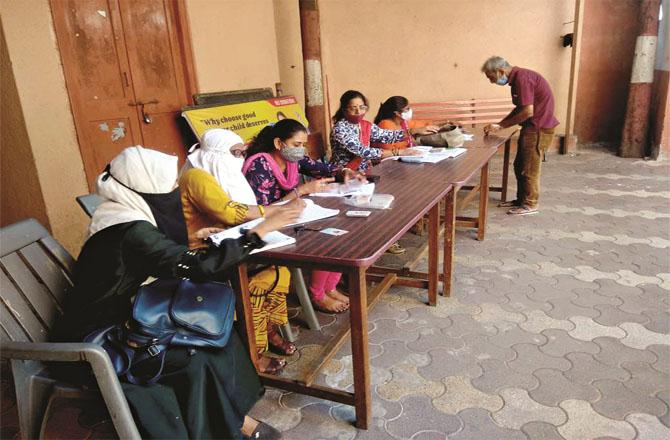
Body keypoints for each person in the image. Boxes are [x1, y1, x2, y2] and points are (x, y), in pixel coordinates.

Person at [53, 146, 292, 439]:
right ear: (147, 189)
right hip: (102, 336)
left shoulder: (123, 211)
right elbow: (193, 267)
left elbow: (163, 253)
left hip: (127, 315)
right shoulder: (129, 229)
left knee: (216, 333)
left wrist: (201, 240)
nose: (173, 194)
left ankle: (232, 422)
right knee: (197, 353)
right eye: (167, 190)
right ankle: (235, 426)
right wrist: (259, 232)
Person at [179, 128, 305, 374]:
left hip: (225, 243)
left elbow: (244, 211)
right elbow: (230, 212)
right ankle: (253, 351)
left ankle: (265, 331)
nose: (238, 159)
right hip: (201, 256)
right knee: (257, 280)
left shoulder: (221, 173)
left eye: (241, 153)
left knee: (277, 270)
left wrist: (273, 214)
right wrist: (274, 213)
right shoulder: (196, 177)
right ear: (215, 153)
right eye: (234, 153)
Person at [243, 119, 362, 313]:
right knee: (325, 239)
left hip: (292, 215)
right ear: (278, 144)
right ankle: (317, 294)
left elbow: (319, 168)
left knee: (341, 228)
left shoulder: (292, 160)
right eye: (296, 145)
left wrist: (344, 172)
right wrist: (302, 190)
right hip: (267, 224)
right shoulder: (260, 166)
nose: (301, 150)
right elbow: (261, 210)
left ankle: (329, 287)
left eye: (303, 145)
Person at [481, 56, 559, 216]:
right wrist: (500, 124)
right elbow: (520, 109)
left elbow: (527, 112)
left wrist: (502, 125)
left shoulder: (522, 79)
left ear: (500, 71)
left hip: (538, 128)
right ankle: (521, 200)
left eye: (491, 77)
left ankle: (530, 204)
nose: (491, 82)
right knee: (520, 165)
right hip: (532, 127)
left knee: (529, 167)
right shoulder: (518, 79)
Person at [372, 96, 440, 255]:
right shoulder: (385, 125)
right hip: (385, 168)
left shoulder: (401, 123)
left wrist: (438, 125)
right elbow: (387, 149)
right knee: (396, 198)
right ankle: (388, 237)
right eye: (406, 109)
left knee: (420, 183)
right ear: (396, 112)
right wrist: (407, 146)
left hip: (399, 164)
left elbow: (418, 124)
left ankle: (413, 221)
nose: (409, 112)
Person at [330, 90, 420, 172]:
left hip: (365, 171)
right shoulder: (340, 129)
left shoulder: (365, 125)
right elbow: (364, 151)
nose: (358, 112)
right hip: (345, 173)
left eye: (362, 107)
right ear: (344, 110)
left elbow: (386, 136)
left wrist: (413, 131)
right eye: (353, 108)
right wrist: (399, 152)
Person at [372, 95, 439, 151]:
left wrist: (445, 123)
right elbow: (388, 151)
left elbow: (423, 124)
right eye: (407, 109)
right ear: (397, 113)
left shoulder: (403, 123)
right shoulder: (385, 125)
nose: (410, 111)